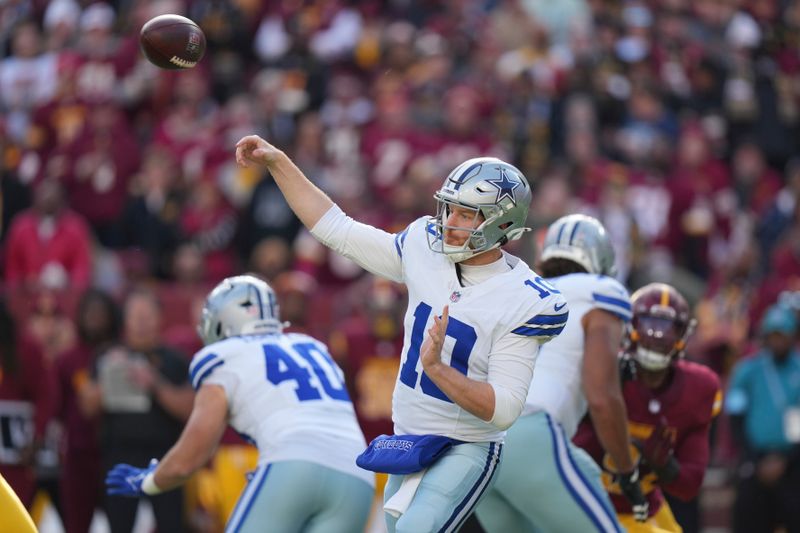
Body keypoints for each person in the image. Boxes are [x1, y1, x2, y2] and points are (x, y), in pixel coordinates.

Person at [235, 136, 569, 532]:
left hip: (466, 447)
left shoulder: (525, 299)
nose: (450, 223)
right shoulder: (423, 248)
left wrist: (437, 369)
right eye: (450, 209)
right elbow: (336, 229)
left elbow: (504, 409)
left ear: (503, 223)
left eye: (467, 215)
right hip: (407, 443)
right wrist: (278, 163)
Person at [105, 275, 374, 532]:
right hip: (357, 476)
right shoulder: (313, 348)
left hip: (293, 463)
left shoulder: (222, 355)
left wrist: (150, 481)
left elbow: (193, 454)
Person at [475, 214, 644, 533]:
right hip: (529, 431)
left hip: (476, 446)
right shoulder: (600, 291)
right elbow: (602, 398)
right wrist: (627, 471)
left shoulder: (518, 293)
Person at [574, 283, 722, 533]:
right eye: (648, 324)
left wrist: (666, 467)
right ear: (630, 325)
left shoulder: (699, 388)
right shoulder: (604, 370)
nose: (657, 336)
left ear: (683, 334)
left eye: (668, 327)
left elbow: (689, 486)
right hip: (587, 503)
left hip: (645, 505)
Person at [82, 288, 194, 533]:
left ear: (160, 318)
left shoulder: (175, 360)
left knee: (171, 525)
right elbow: (86, 406)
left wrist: (154, 383)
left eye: (147, 316)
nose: (141, 323)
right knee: (119, 525)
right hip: (119, 456)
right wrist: (112, 375)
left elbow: (190, 409)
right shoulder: (106, 355)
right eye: (136, 316)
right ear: (126, 319)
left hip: (165, 458)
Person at [725, 303, 800, 533]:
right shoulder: (748, 370)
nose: (778, 341)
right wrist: (756, 459)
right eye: (773, 335)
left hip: (792, 462)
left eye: (783, 335)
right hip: (755, 460)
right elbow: (736, 416)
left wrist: (785, 460)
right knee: (746, 514)